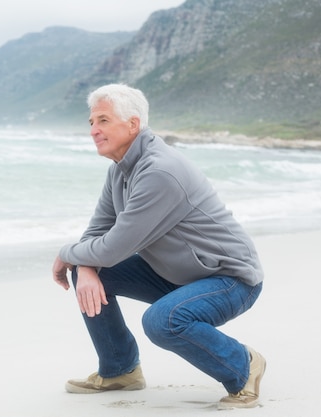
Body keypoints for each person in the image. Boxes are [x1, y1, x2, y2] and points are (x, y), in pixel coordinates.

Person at [52, 83, 266, 410]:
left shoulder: (159, 171)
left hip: (230, 280)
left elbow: (112, 247)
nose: (94, 130)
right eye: (91, 122)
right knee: (90, 271)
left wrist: (66, 254)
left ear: (133, 124)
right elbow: (97, 231)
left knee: (162, 321)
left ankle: (243, 364)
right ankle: (119, 370)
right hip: (177, 274)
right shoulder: (120, 171)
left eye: (104, 120)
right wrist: (84, 265)